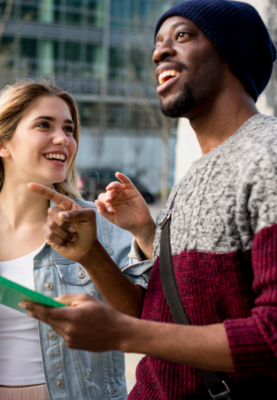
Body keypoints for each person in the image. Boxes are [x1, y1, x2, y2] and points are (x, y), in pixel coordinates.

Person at [20, 1, 277, 399]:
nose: (159, 52)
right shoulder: (192, 178)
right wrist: (92, 256)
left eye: (182, 36)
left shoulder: (269, 155)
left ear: (232, 52)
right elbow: (156, 317)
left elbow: (272, 338)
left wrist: (122, 334)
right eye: (158, 43)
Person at [0, 81, 151, 400]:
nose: (63, 139)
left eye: (69, 128)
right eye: (43, 125)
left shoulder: (97, 223)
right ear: (2, 144)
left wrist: (145, 232)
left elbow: (145, 318)